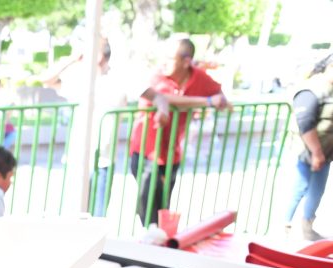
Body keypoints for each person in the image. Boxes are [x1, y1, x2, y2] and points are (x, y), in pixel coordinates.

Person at [130, 38, 230, 226]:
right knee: (150, 206)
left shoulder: (199, 77)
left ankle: (160, 236)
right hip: (146, 151)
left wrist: (220, 100)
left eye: (170, 58)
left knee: (163, 208)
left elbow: (219, 94)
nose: (164, 63)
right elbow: (161, 97)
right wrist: (207, 102)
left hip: (171, 153)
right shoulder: (158, 76)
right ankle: (151, 234)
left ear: (186, 61)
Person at [43, 39, 127, 216]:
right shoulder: (80, 81)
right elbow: (47, 79)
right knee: (73, 214)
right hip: (77, 159)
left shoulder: (116, 82)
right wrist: (72, 58)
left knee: (97, 216)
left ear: (99, 56)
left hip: (102, 160)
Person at [284, 52, 333, 241]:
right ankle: (285, 227)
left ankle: (306, 227)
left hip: (324, 153)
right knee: (298, 189)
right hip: (306, 152)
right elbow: (305, 123)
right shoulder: (312, 89)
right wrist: (316, 153)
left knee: (316, 191)